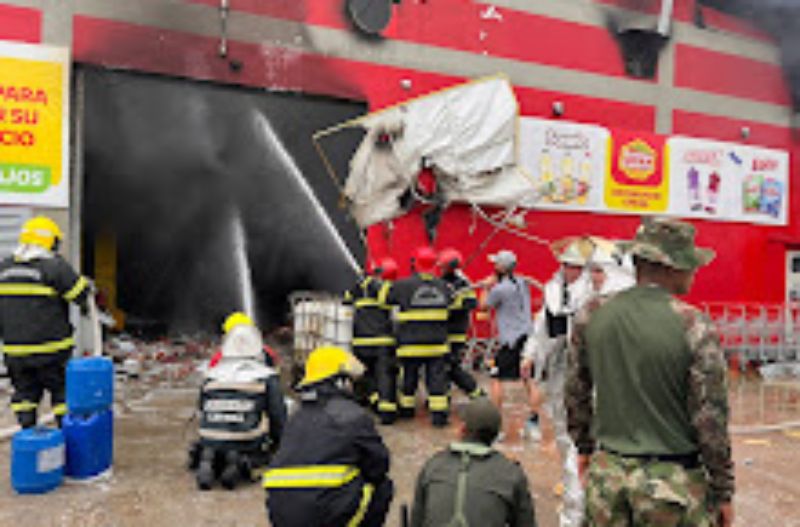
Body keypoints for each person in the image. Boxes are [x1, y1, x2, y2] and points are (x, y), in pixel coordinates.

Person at [567, 217, 734, 527]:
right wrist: (723, 490)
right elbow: (710, 418)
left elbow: (576, 392)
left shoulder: (592, 313)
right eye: (690, 264)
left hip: (607, 480)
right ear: (672, 266)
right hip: (671, 487)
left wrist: (584, 449)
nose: (695, 272)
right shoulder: (693, 324)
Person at [264, 346, 393, 527]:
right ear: (339, 382)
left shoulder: (295, 417)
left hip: (282, 516)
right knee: (383, 487)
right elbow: (379, 464)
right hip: (325, 517)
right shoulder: (351, 414)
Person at [523, 237, 593, 527]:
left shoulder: (594, 294)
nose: (569, 270)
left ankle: (577, 511)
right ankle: (574, 495)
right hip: (559, 373)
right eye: (565, 265)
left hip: (589, 375)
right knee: (566, 440)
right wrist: (529, 355)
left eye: (574, 266)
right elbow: (542, 327)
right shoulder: (554, 291)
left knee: (583, 443)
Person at [0, 216, 92, 428]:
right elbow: (81, 295)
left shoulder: (3, 269)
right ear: (50, 242)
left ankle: (29, 436)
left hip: (15, 353)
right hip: (52, 351)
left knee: (25, 396)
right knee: (61, 394)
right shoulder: (54, 268)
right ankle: (66, 436)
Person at [189, 312, 287, 490]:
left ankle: (207, 459)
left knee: (213, 443)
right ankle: (242, 464)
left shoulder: (211, 374)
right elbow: (277, 415)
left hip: (209, 436)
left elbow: (201, 407)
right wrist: (279, 445)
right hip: (246, 438)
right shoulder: (265, 376)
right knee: (262, 455)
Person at [410, 398, 538, 527]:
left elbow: (415, 521)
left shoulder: (433, 466)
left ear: (462, 429)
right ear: (496, 435)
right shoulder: (511, 473)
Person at [384, 246, 453, 426]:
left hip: (410, 344)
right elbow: (452, 306)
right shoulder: (444, 286)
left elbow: (385, 300)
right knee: (437, 382)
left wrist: (386, 279)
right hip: (437, 345)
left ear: (414, 263)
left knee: (408, 379)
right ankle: (439, 418)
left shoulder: (402, 285)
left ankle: (407, 412)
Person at [343, 257, 399, 424]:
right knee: (385, 376)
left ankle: (371, 401)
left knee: (364, 374)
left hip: (361, 342)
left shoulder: (358, 287)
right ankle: (386, 413)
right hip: (382, 342)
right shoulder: (384, 288)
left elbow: (345, 301)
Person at [481, 250, 532, 426]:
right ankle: (536, 416)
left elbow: (483, 307)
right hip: (528, 336)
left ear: (501, 268)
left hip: (511, 340)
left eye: (496, 264)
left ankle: (493, 420)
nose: (493, 266)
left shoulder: (500, 289)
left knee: (495, 377)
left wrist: (486, 288)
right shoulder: (523, 283)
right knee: (529, 377)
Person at [438, 248, 483, 400]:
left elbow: (471, 303)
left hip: (454, 332)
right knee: (443, 366)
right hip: (443, 332)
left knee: (450, 366)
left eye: (442, 266)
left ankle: (475, 392)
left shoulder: (462, 284)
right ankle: (444, 394)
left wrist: (451, 303)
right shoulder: (442, 283)